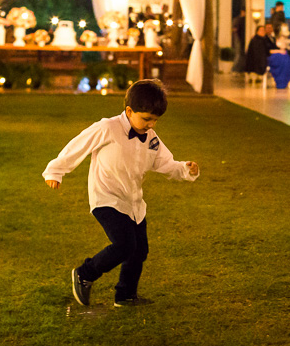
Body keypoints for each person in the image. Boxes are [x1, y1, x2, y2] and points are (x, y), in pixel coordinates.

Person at [42, 79, 200, 307]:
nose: (151, 125)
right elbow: (78, 146)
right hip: (106, 198)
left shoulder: (152, 139)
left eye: (155, 120)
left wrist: (185, 169)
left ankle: (125, 296)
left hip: (134, 203)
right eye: (146, 119)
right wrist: (55, 171)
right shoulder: (107, 128)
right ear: (129, 111)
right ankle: (84, 274)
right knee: (125, 245)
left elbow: (165, 164)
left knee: (139, 251)